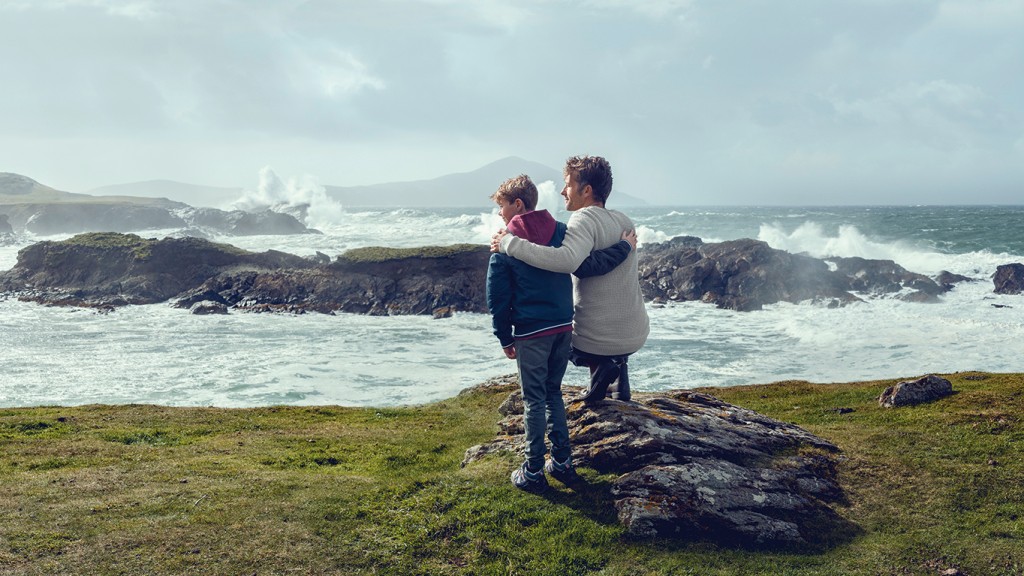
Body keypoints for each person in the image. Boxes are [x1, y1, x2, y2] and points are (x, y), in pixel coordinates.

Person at [486, 174, 635, 492]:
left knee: (534, 400)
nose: (499, 214)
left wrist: (504, 336)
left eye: (501, 206)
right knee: (553, 394)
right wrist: (624, 247)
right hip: (563, 328)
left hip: (531, 331)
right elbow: (589, 263)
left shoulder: (504, 244)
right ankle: (564, 464)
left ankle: (533, 471)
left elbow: (497, 298)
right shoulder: (562, 232)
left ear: (518, 204)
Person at [491, 155, 649, 405]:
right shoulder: (623, 221)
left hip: (600, 340)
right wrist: (621, 247)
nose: (563, 191)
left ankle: (605, 366)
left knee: (551, 334)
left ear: (586, 190)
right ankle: (617, 388)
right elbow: (590, 265)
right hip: (635, 333)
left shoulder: (583, 218)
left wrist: (510, 243)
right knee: (603, 323)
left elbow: (567, 261)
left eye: (567, 184)